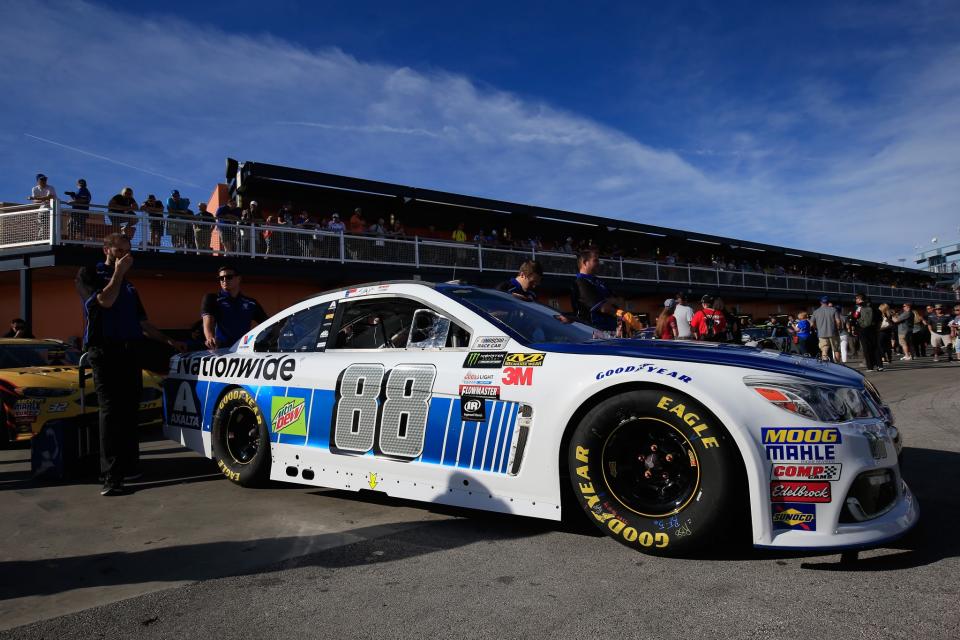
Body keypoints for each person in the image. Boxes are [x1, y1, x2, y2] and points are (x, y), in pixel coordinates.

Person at [75, 233, 184, 496]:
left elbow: (143, 323)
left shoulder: (130, 286)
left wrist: (169, 341)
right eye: (119, 251)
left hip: (130, 349)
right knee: (110, 411)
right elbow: (105, 301)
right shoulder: (89, 274)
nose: (124, 255)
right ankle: (111, 476)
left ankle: (129, 465)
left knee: (128, 409)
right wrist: (118, 273)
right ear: (106, 250)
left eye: (128, 251)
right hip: (104, 350)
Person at [570, 248, 641, 336]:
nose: (598, 263)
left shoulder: (599, 281)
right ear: (585, 262)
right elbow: (603, 308)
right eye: (595, 260)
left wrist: (609, 301)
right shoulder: (581, 283)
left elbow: (621, 302)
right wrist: (616, 307)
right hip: (594, 333)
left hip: (611, 332)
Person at [201, 266, 268, 349]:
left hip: (244, 350)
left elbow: (267, 323)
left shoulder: (251, 303)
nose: (224, 280)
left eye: (229, 277)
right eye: (221, 278)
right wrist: (210, 338)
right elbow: (207, 321)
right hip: (221, 350)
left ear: (239, 279)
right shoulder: (212, 299)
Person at [854, 293, 882, 371]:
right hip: (874, 329)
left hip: (863, 329)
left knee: (866, 348)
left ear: (860, 299)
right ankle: (880, 365)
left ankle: (870, 367)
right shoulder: (874, 307)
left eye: (856, 299)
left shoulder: (859, 307)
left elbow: (855, 316)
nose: (856, 300)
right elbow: (880, 318)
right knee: (876, 347)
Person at [811, 296, 841, 362]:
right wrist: (838, 328)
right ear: (828, 302)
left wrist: (817, 328)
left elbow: (812, 323)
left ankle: (825, 365)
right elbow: (838, 321)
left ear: (820, 302)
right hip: (833, 333)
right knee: (836, 349)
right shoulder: (834, 310)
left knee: (824, 349)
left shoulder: (816, 312)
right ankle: (838, 365)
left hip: (822, 333)